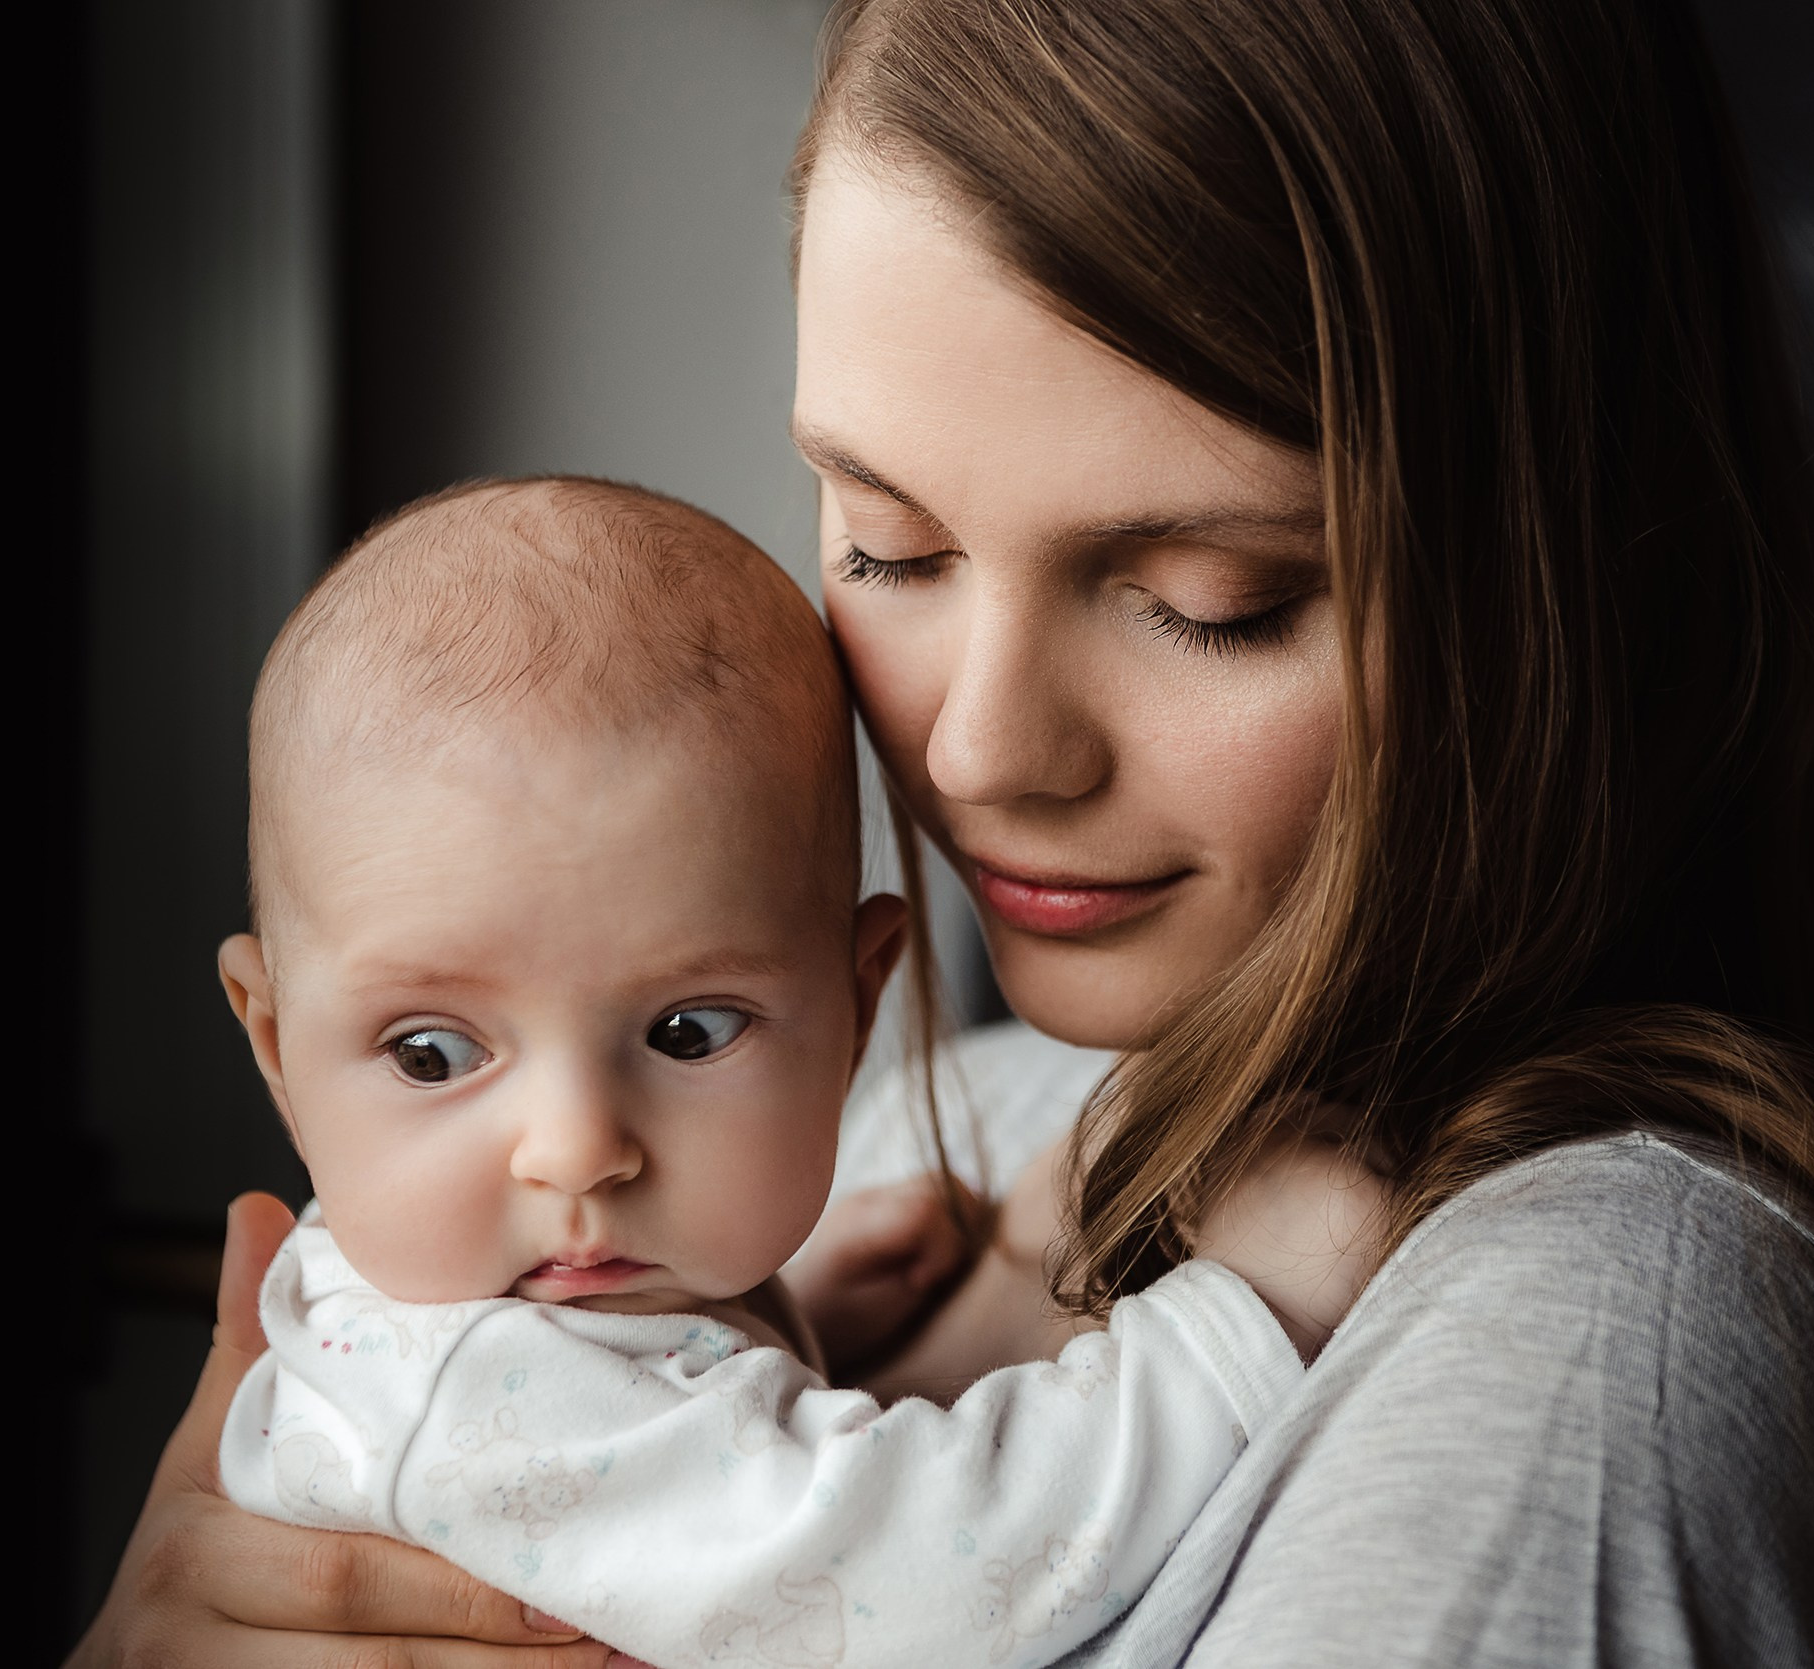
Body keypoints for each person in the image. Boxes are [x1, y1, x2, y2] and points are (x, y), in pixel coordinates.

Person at [71, 2, 1814, 1665]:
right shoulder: (871, 1148)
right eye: (889, 544)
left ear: (1569, 580)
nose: (980, 750)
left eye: (1210, 597)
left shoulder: (1576, 1350)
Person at [209, 475, 1378, 1668]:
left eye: (688, 1033)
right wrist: (1244, 1324)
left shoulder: (476, 1320)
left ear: (856, 1005)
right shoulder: (469, 1384)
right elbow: (934, 1574)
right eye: (432, 1054)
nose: (576, 1148)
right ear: (276, 1049)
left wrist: (777, 1321)